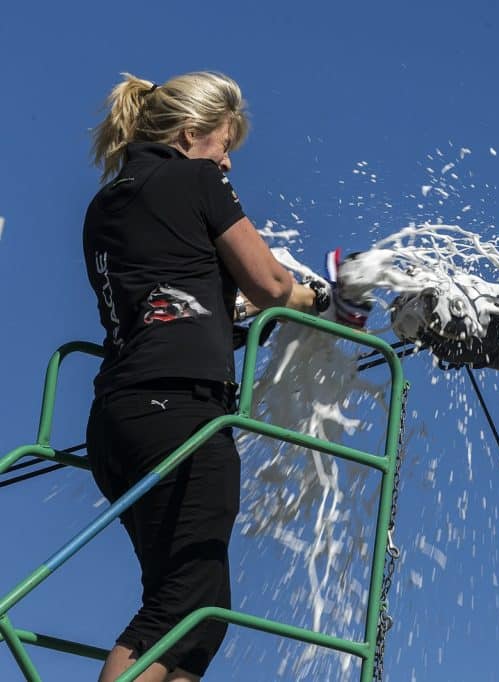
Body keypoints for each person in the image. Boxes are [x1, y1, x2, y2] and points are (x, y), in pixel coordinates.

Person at [83, 71, 326, 682]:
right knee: (178, 605)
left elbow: (166, 298)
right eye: (225, 147)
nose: (228, 164)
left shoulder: (108, 202)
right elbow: (270, 283)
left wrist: (233, 314)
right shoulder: (197, 178)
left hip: (118, 420)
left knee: (199, 613)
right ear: (192, 135)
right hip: (181, 414)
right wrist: (313, 297)